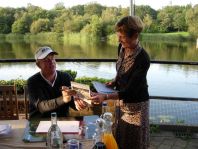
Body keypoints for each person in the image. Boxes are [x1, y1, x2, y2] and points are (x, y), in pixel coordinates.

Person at [90, 16, 150, 149]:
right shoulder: (122, 48)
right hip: (121, 103)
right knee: (119, 139)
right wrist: (115, 81)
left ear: (135, 35)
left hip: (136, 106)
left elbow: (129, 91)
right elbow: (121, 69)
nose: (118, 40)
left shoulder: (143, 59)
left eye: (122, 37)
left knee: (134, 142)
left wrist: (105, 97)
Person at [27, 46, 87, 119]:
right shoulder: (33, 81)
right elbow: (41, 106)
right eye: (46, 60)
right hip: (39, 121)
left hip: (63, 120)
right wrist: (63, 99)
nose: (51, 62)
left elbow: (72, 101)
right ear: (38, 65)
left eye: (52, 58)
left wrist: (79, 103)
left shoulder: (66, 77)